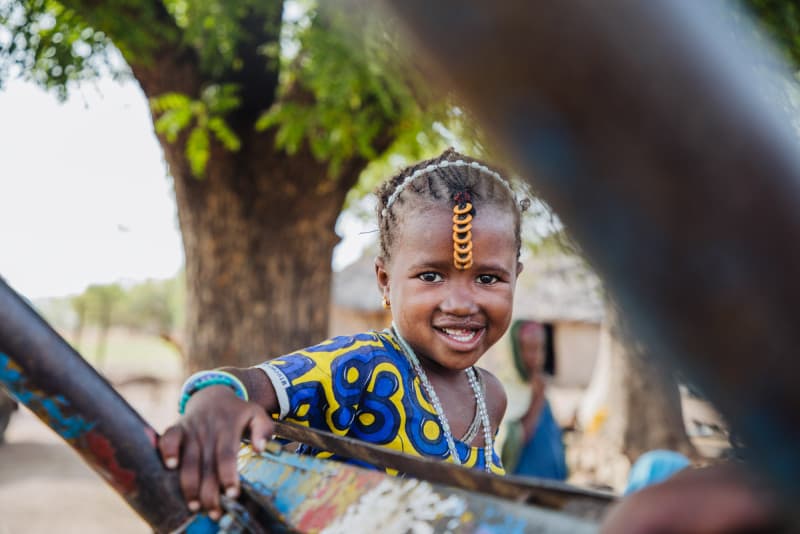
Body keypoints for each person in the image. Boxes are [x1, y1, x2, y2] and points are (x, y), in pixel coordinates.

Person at [159, 149, 529, 519]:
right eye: (431, 276)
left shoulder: (489, 395)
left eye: (488, 278)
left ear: (515, 277)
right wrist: (213, 400)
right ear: (385, 281)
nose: (462, 304)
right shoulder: (365, 364)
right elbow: (247, 384)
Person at [501, 320, 568, 480]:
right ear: (515, 351)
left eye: (541, 348)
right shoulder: (505, 392)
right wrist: (536, 399)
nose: (538, 357)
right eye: (530, 349)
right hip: (522, 485)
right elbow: (510, 444)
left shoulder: (538, 387)